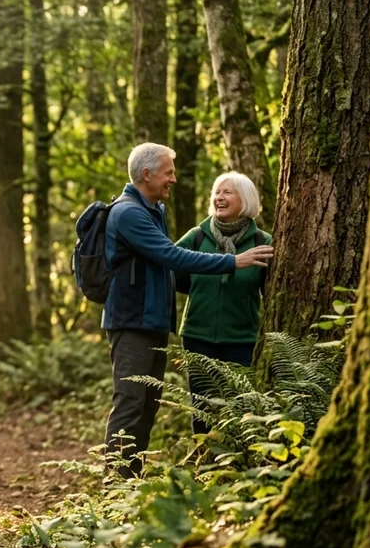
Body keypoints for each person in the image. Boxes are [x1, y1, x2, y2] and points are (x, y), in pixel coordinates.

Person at [101, 143, 273, 477]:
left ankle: (130, 480)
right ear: (147, 174)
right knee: (132, 402)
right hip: (133, 321)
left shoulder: (153, 210)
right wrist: (231, 263)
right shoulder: (129, 213)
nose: (174, 179)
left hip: (154, 323)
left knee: (147, 405)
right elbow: (172, 259)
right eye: (168, 172)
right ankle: (117, 484)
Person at [175, 172, 271, 434]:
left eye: (227, 192)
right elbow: (171, 272)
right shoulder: (196, 237)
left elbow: (271, 293)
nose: (219, 197)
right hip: (197, 335)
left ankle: (236, 469)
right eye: (217, 192)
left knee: (241, 410)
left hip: (242, 339)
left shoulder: (262, 242)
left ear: (246, 198)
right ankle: (205, 467)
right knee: (202, 409)